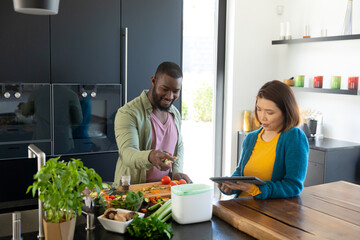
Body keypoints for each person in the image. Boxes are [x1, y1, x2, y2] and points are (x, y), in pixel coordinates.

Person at [219, 80, 309, 199]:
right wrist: (231, 186)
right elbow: (240, 172)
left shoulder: (294, 137)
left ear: (286, 112)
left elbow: (293, 186)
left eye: (269, 113)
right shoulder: (251, 138)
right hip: (241, 207)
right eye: (259, 109)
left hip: (267, 212)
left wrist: (255, 189)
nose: (262, 117)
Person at [114, 61, 192, 185]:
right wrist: (151, 156)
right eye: (165, 89)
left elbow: (179, 145)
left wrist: (176, 171)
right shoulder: (128, 113)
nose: (170, 96)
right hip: (132, 193)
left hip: (163, 190)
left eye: (175, 91)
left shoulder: (174, 113)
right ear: (153, 81)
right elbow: (127, 153)